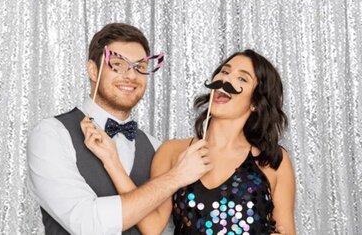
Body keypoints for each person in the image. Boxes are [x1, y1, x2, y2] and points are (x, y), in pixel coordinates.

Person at [27, 23, 212, 235]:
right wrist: (176, 177)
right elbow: (88, 224)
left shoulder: (156, 147)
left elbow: (164, 229)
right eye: (117, 64)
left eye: (140, 67)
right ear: (93, 70)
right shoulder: (51, 134)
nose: (131, 76)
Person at [84, 49, 296, 235]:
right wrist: (111, 160)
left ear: (256, 103)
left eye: (242, 79)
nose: (226, 81)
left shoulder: (272, 160)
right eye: (224, 71)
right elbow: (151, 226)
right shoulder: (173, 152)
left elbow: (287, 230)